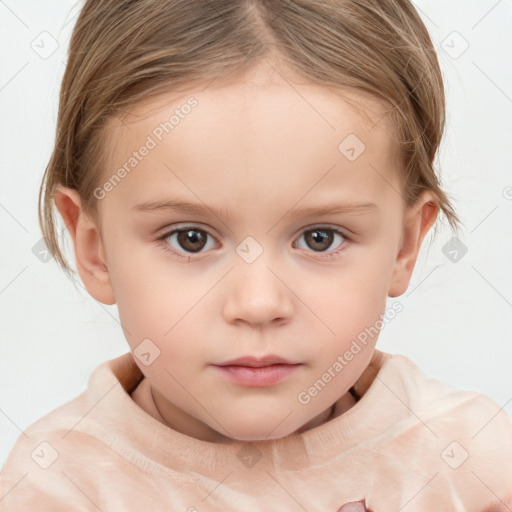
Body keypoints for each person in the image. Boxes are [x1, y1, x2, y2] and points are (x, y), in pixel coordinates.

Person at [1, 0, 510, 510]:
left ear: (404, 246)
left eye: (320, 238)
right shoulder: (59, 486)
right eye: (190, 239)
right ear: (96, 250)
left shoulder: (471, 468)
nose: (259, 303)